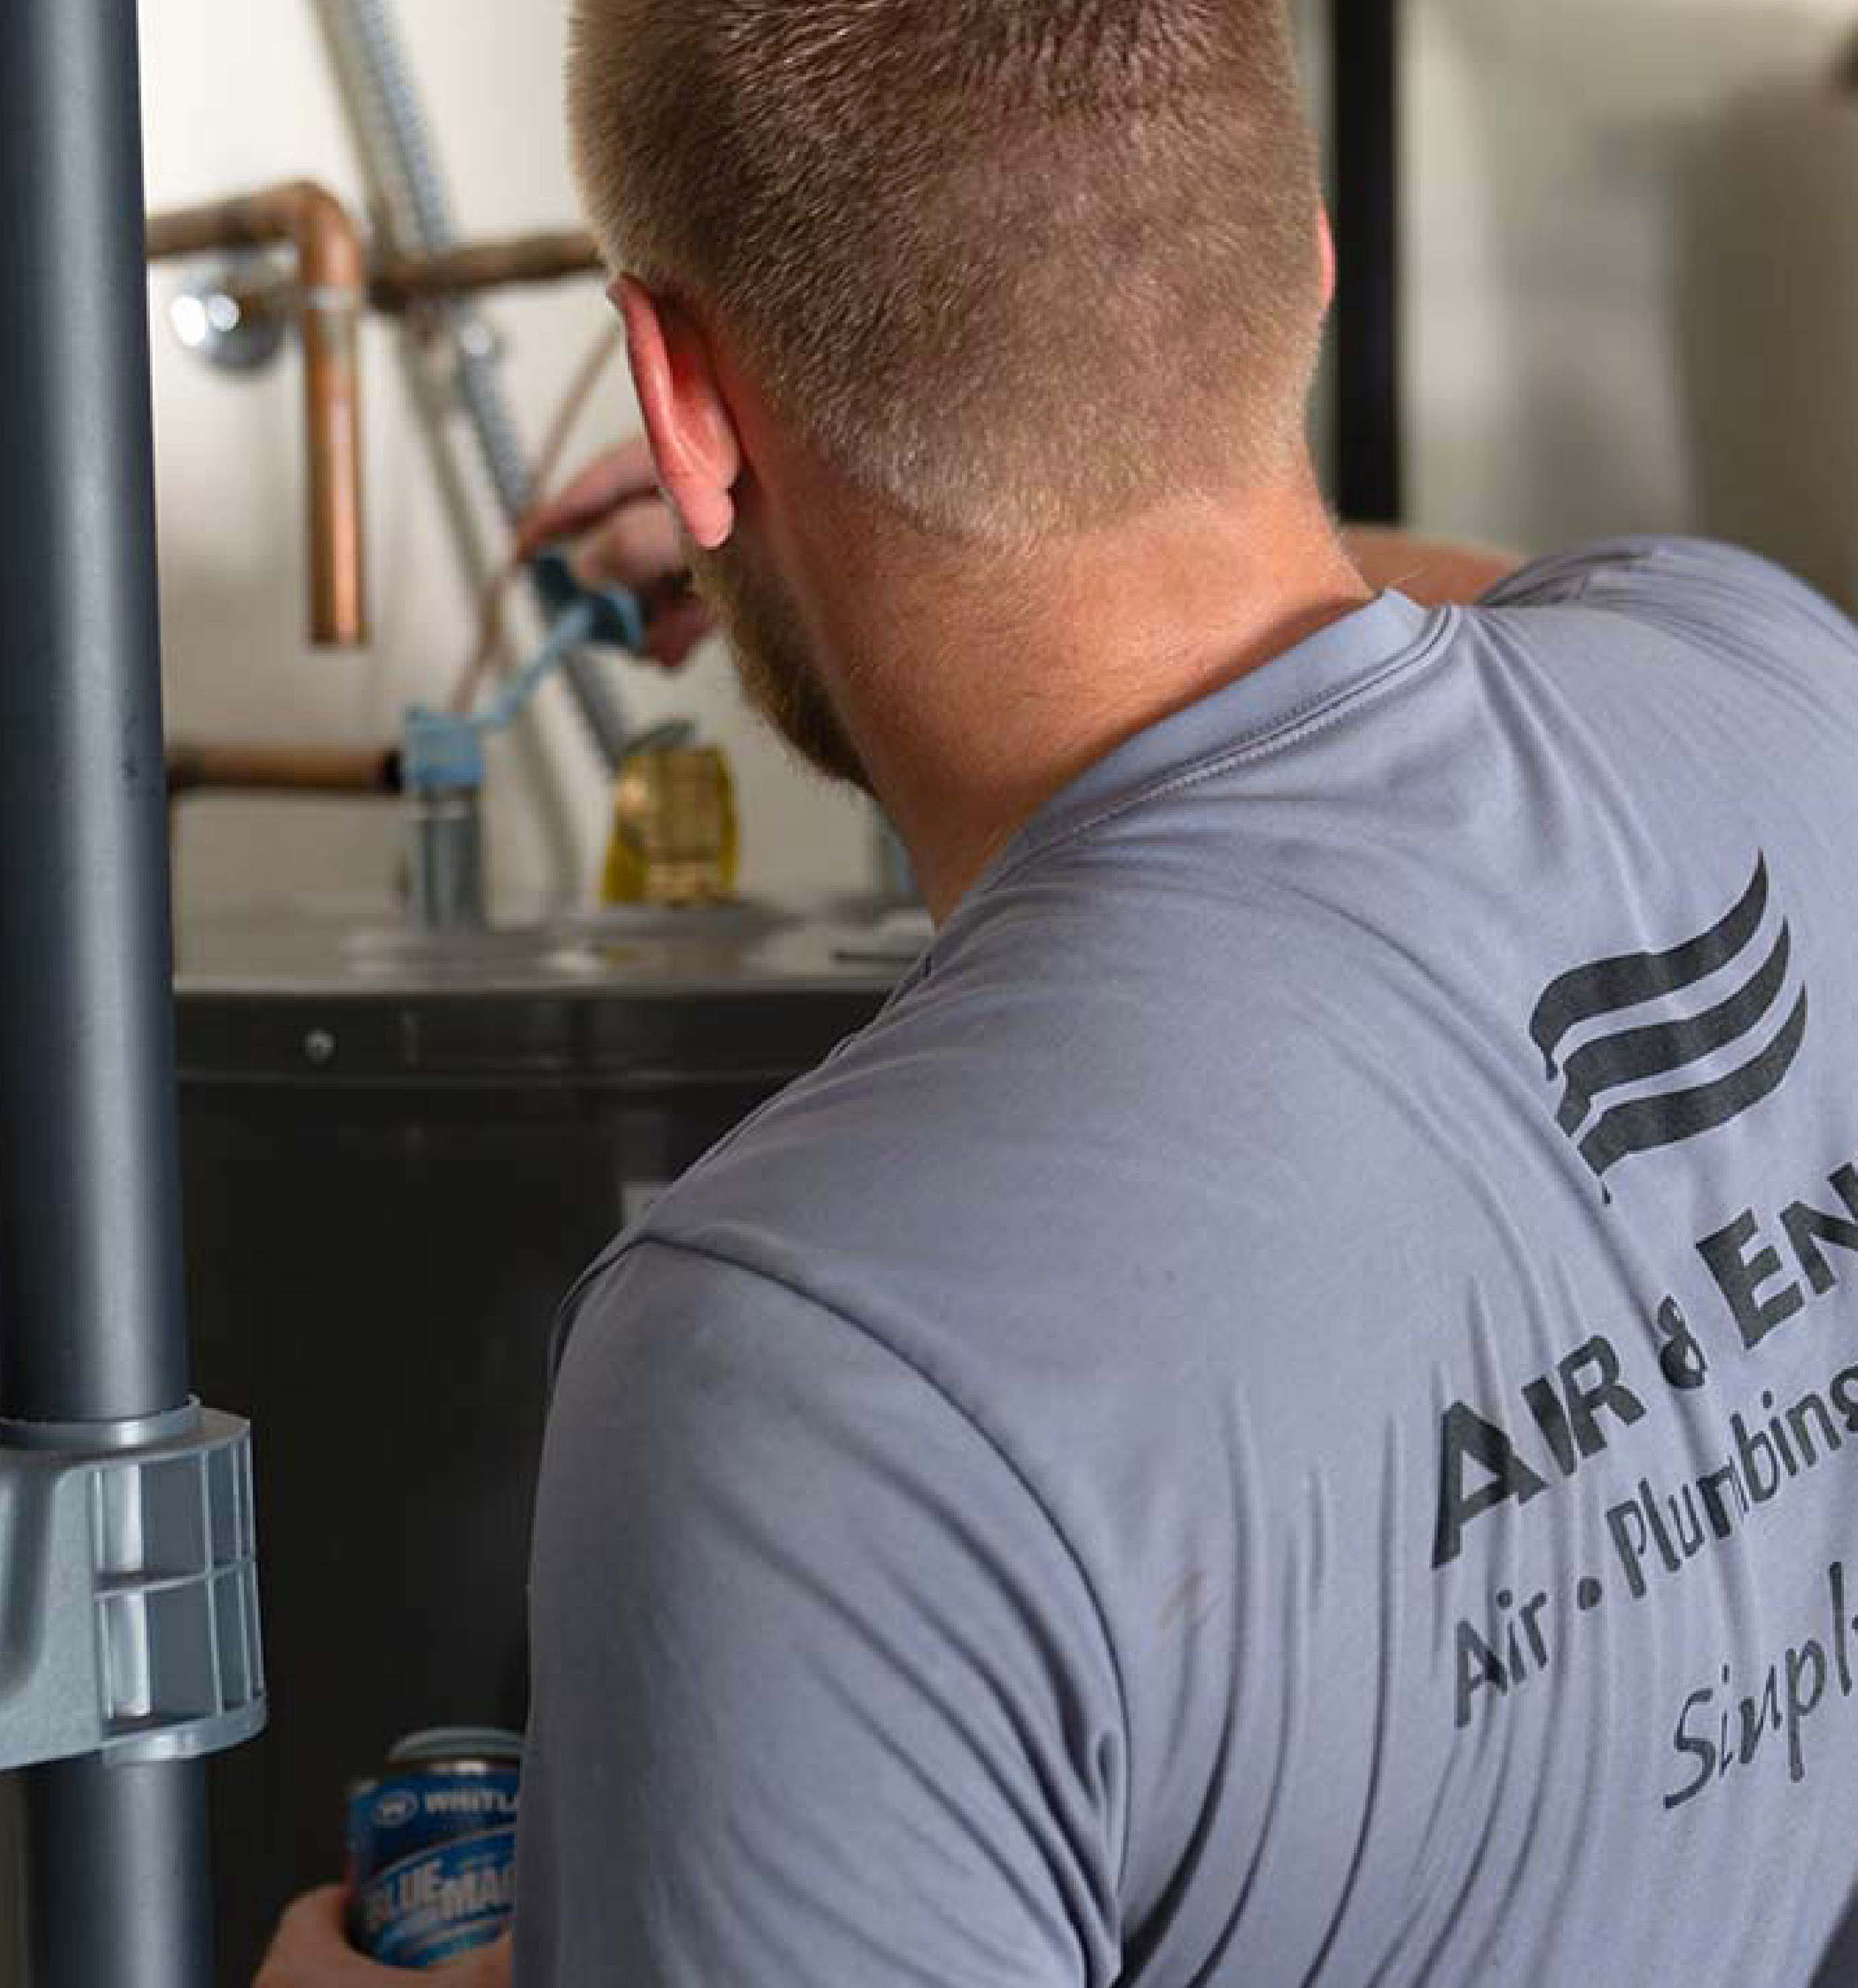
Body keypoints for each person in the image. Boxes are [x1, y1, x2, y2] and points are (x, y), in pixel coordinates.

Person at [263, 2, 1858, 1983]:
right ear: (1305, 264)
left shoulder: (798, 1374)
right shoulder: (1773, 683)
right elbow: (1509, 612)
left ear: (675, 405)